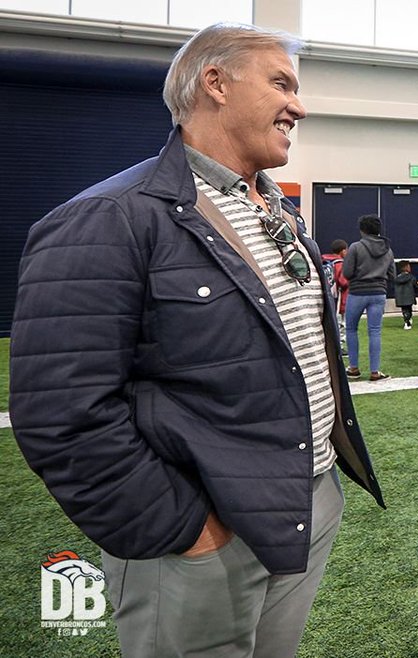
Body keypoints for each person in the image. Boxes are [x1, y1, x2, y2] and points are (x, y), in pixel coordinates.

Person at [8, 22, 385, 657]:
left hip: (304, 502)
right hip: (204, 530)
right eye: (281, 84)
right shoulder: (108, 217)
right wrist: (183, 527)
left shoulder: (278, 212)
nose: (299, 105)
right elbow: (59, 411)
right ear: (214, 83)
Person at [343, 213, 396, 382]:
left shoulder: (355, 247)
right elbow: (392, 274)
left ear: (362, 230)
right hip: (378, 293)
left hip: (357, 292)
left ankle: (354, 368)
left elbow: (347, 272)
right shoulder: (387, 249)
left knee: (351, 329)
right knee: (375, 331)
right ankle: (375, 372)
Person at [322, 238, 350, 349]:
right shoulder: (340, 264)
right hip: (338, 298)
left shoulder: (323, 261)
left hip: (325, 296)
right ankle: (339, 347)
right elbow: (344, 282)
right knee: (340, 323)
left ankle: (328, 345)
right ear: (342, 251)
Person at [394, 259, 418, 330]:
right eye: (408, 266)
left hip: (401, 298)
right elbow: (416, 286)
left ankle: (406, 321)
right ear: (405, 268)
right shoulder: (411, 277)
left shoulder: (396, 278)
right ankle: (408, 321)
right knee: (409, 309)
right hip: (409, 297)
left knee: (404, 310)